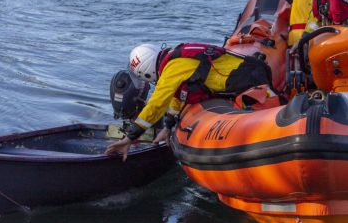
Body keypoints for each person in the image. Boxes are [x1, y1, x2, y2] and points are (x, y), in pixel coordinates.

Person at [105, 42, 273, 160]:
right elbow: (177, 98)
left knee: (269, 116)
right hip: (251, 70)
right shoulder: (175, 61)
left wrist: (129, 137)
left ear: (146, 72)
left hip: (248, 78)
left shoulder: (171, 68)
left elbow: (156, 104)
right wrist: (168, 126)